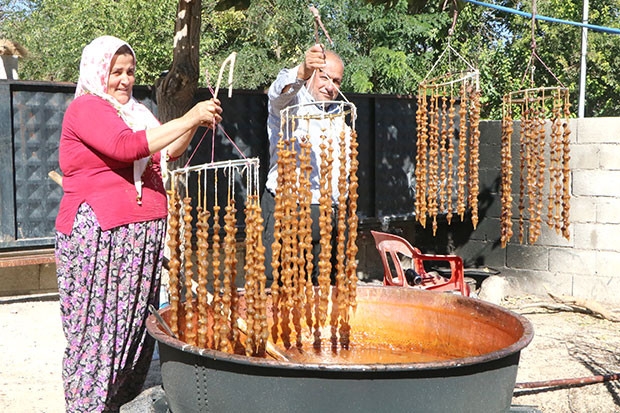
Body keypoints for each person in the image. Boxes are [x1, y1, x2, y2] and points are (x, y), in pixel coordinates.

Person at [54, 35, 222, 412]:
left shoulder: (138, 112)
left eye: (130, 72)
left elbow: (168, 148)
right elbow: (127, 147)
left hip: (139, 241)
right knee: (98, 333)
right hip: (102, 239)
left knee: (131, 332)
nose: (125, 80)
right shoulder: (87, 109)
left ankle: (116, 403)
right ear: (99, 73)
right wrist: (189, 115)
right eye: (116, 72)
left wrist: (197, 121)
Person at [261, 43, 349, 285]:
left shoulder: (339, 117)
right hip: (286, 211)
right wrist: (302, 70)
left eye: (337, 81)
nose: (330, 87)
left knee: (322, 289)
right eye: (325, 77)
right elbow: (278, 93)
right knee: (278, 285)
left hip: (326, 217)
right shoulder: (291, 103)